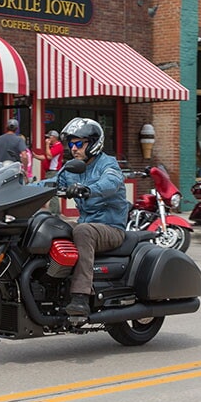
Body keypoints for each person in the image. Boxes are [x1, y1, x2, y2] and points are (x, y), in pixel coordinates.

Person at [58, 118, 128, 317]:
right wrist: (21, 187)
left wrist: (88, 189)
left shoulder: (108, 164)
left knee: (82, 231)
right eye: (71, 143)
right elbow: (52, 182)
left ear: (94, 143)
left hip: (111, 228)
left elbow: (111, 182)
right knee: (50, 226)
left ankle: (80, 297)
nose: (73, 148)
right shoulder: (73, 167)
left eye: (79, 143)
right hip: (87, 224)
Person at [33, 129, 64, 215]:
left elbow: (49, 156)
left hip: (53, 172)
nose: (48, 139)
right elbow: (45, 157)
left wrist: (47, 144)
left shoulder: (58, 146)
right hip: (49, 172)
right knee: (51, 192)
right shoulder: (52, 147)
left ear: (54, 137)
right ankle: (55, 212)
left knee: (52, 192)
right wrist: (35, 156)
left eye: (49, 137)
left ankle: (54, 212)